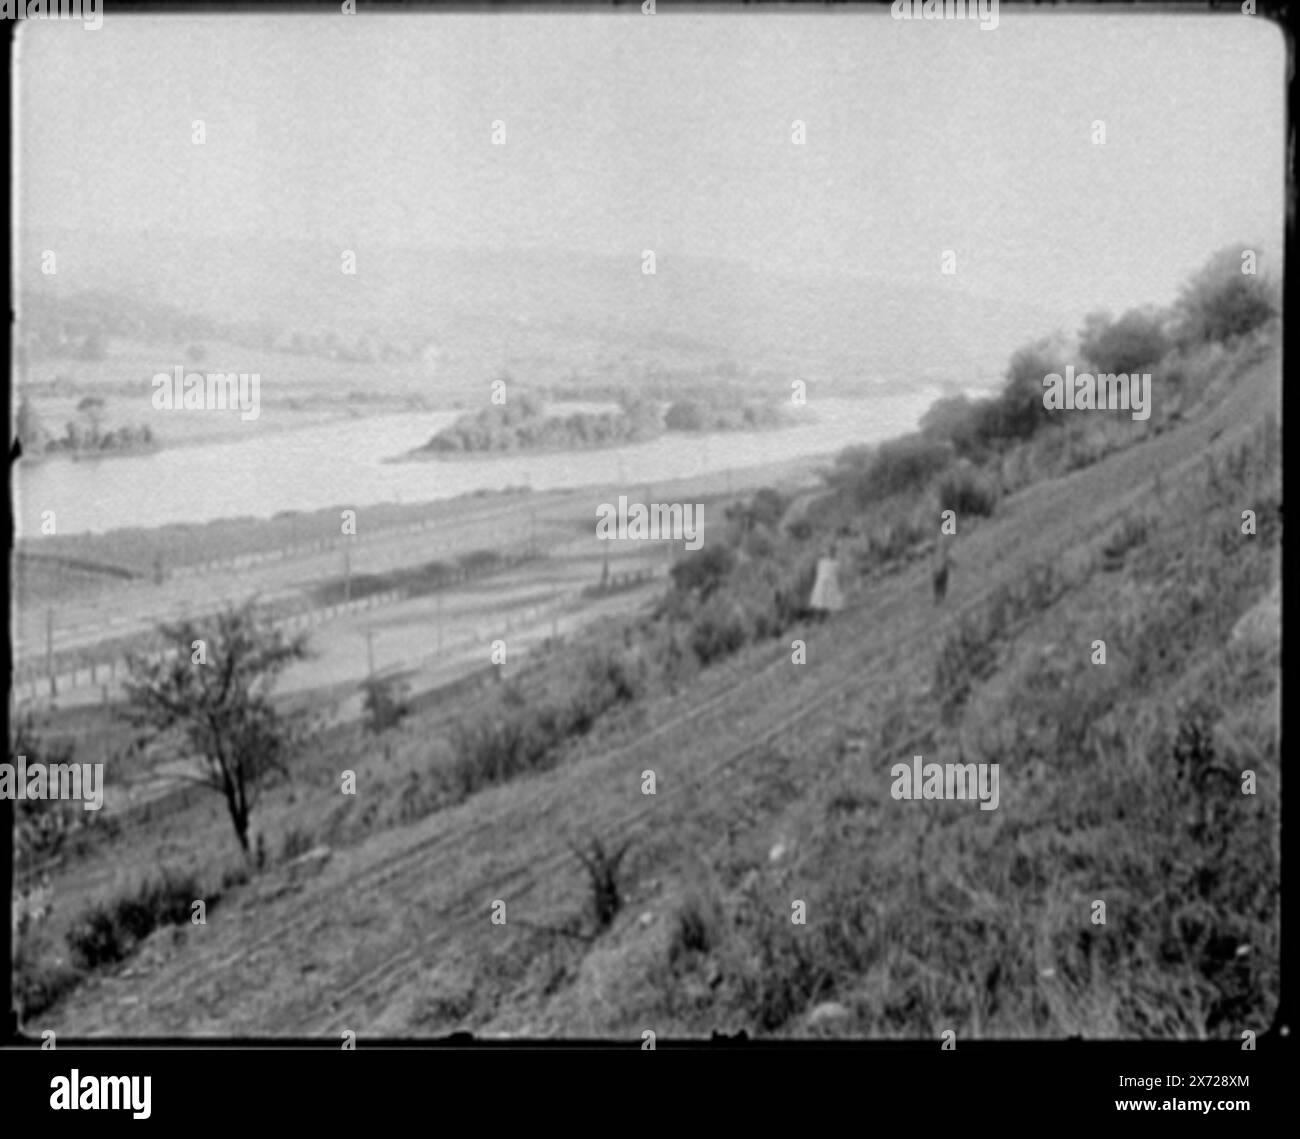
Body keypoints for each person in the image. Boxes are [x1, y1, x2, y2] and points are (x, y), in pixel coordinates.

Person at [809, 541, 845, 619]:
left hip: (831, 582)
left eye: (832, 551)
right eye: (829, 551)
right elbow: (819, 572)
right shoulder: (822, 562)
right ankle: (820, 614)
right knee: (821, 599)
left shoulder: (836, 563)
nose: (830, 553)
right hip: (823, 582)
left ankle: (829, 614)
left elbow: (838, 574)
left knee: (831, 598)